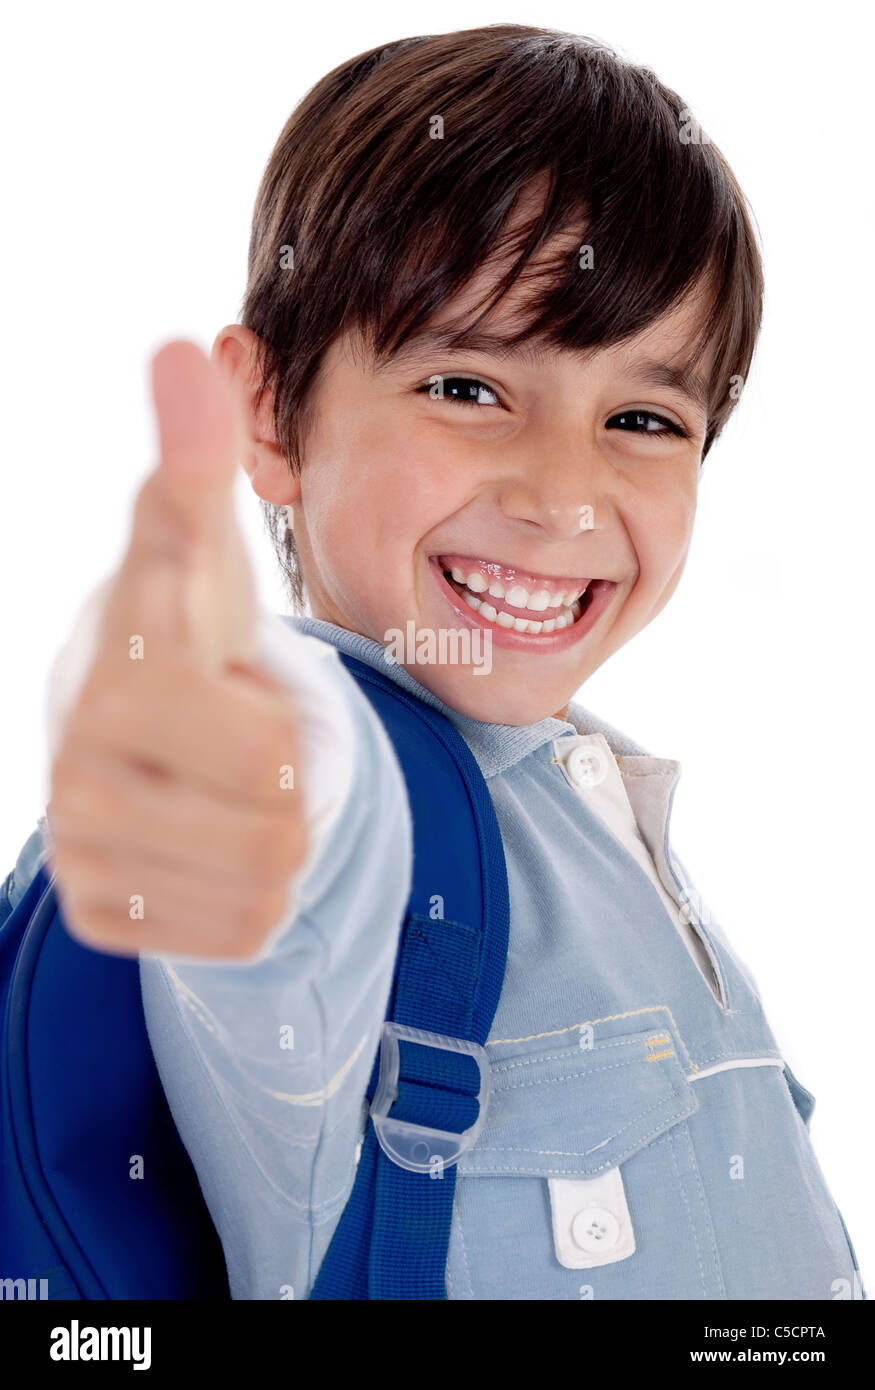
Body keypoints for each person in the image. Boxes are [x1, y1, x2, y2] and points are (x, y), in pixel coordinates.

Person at [4, 24, 864, 1299]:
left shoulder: (592, 804)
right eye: (467, 387)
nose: (565, 496)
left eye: (640, 417)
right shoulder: (338, 807)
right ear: (270, 413)